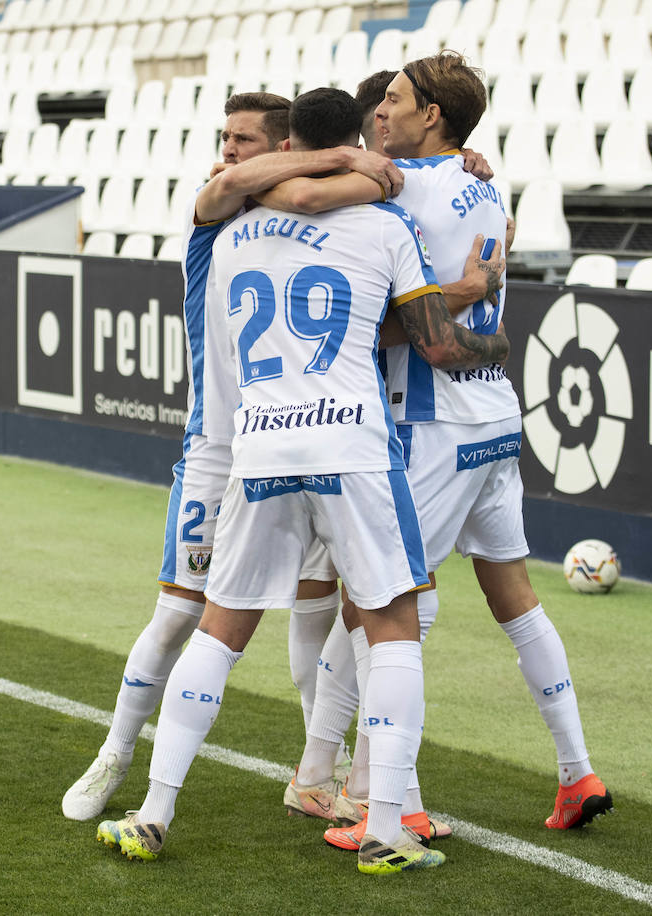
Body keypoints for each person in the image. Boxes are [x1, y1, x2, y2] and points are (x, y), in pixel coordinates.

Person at [94, 87, 510, 874]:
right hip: (353, 445)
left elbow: (247, 191)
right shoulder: (386, 227)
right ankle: (385, 829)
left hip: (258, 449)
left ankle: (152, 813)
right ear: (356, 139)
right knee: (392, 625)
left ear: (290, 146)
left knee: (220, 631)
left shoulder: (226, 231)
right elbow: (437, 347)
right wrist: (497, 334)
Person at [270, 52, 610, 845]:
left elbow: (305, 194)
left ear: (434, 118)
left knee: (382, 607)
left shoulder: (403, 186)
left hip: (429, 420)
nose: (378, 115)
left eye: (392, 101)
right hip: (496, 417)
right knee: (515, 599)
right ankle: (576, 773)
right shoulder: (484, 183)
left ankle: (395, 800)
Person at [60, 90, 403, 823]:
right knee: (180, 616)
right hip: (218, 453)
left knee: (316, 614)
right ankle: (115, 752)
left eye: (242, 140)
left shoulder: (306, 214)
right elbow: (231, 189)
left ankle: (320, 767)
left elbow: (330, 192)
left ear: (282, 149)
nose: (228, 151)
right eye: (224, 137)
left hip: (282, 444)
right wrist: (352, 156)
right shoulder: (216, 221)